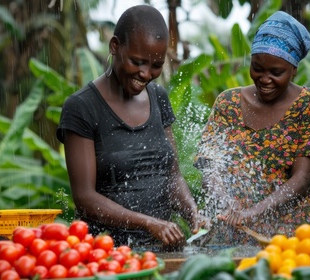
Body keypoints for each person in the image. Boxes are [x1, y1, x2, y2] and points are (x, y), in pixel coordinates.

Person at [56, 4, 206, 249]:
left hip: (165, 252)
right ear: (115, 46)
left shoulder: (158, 98)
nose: (146, 74)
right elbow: (84, 198)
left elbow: (172, 176)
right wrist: (148, 223)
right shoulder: (82, 107)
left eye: (156, 66)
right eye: (138, 62)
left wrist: (191, 210)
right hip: (108, 254)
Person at [194, 11, 310, 245]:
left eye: (276, 72)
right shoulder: (228, 102)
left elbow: (303, 176)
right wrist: (223, 200)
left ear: (294, 69)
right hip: (227, 232)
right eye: (257, 68)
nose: (264, 79)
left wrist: (253, 212)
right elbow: (210, 164)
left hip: (287, 236)